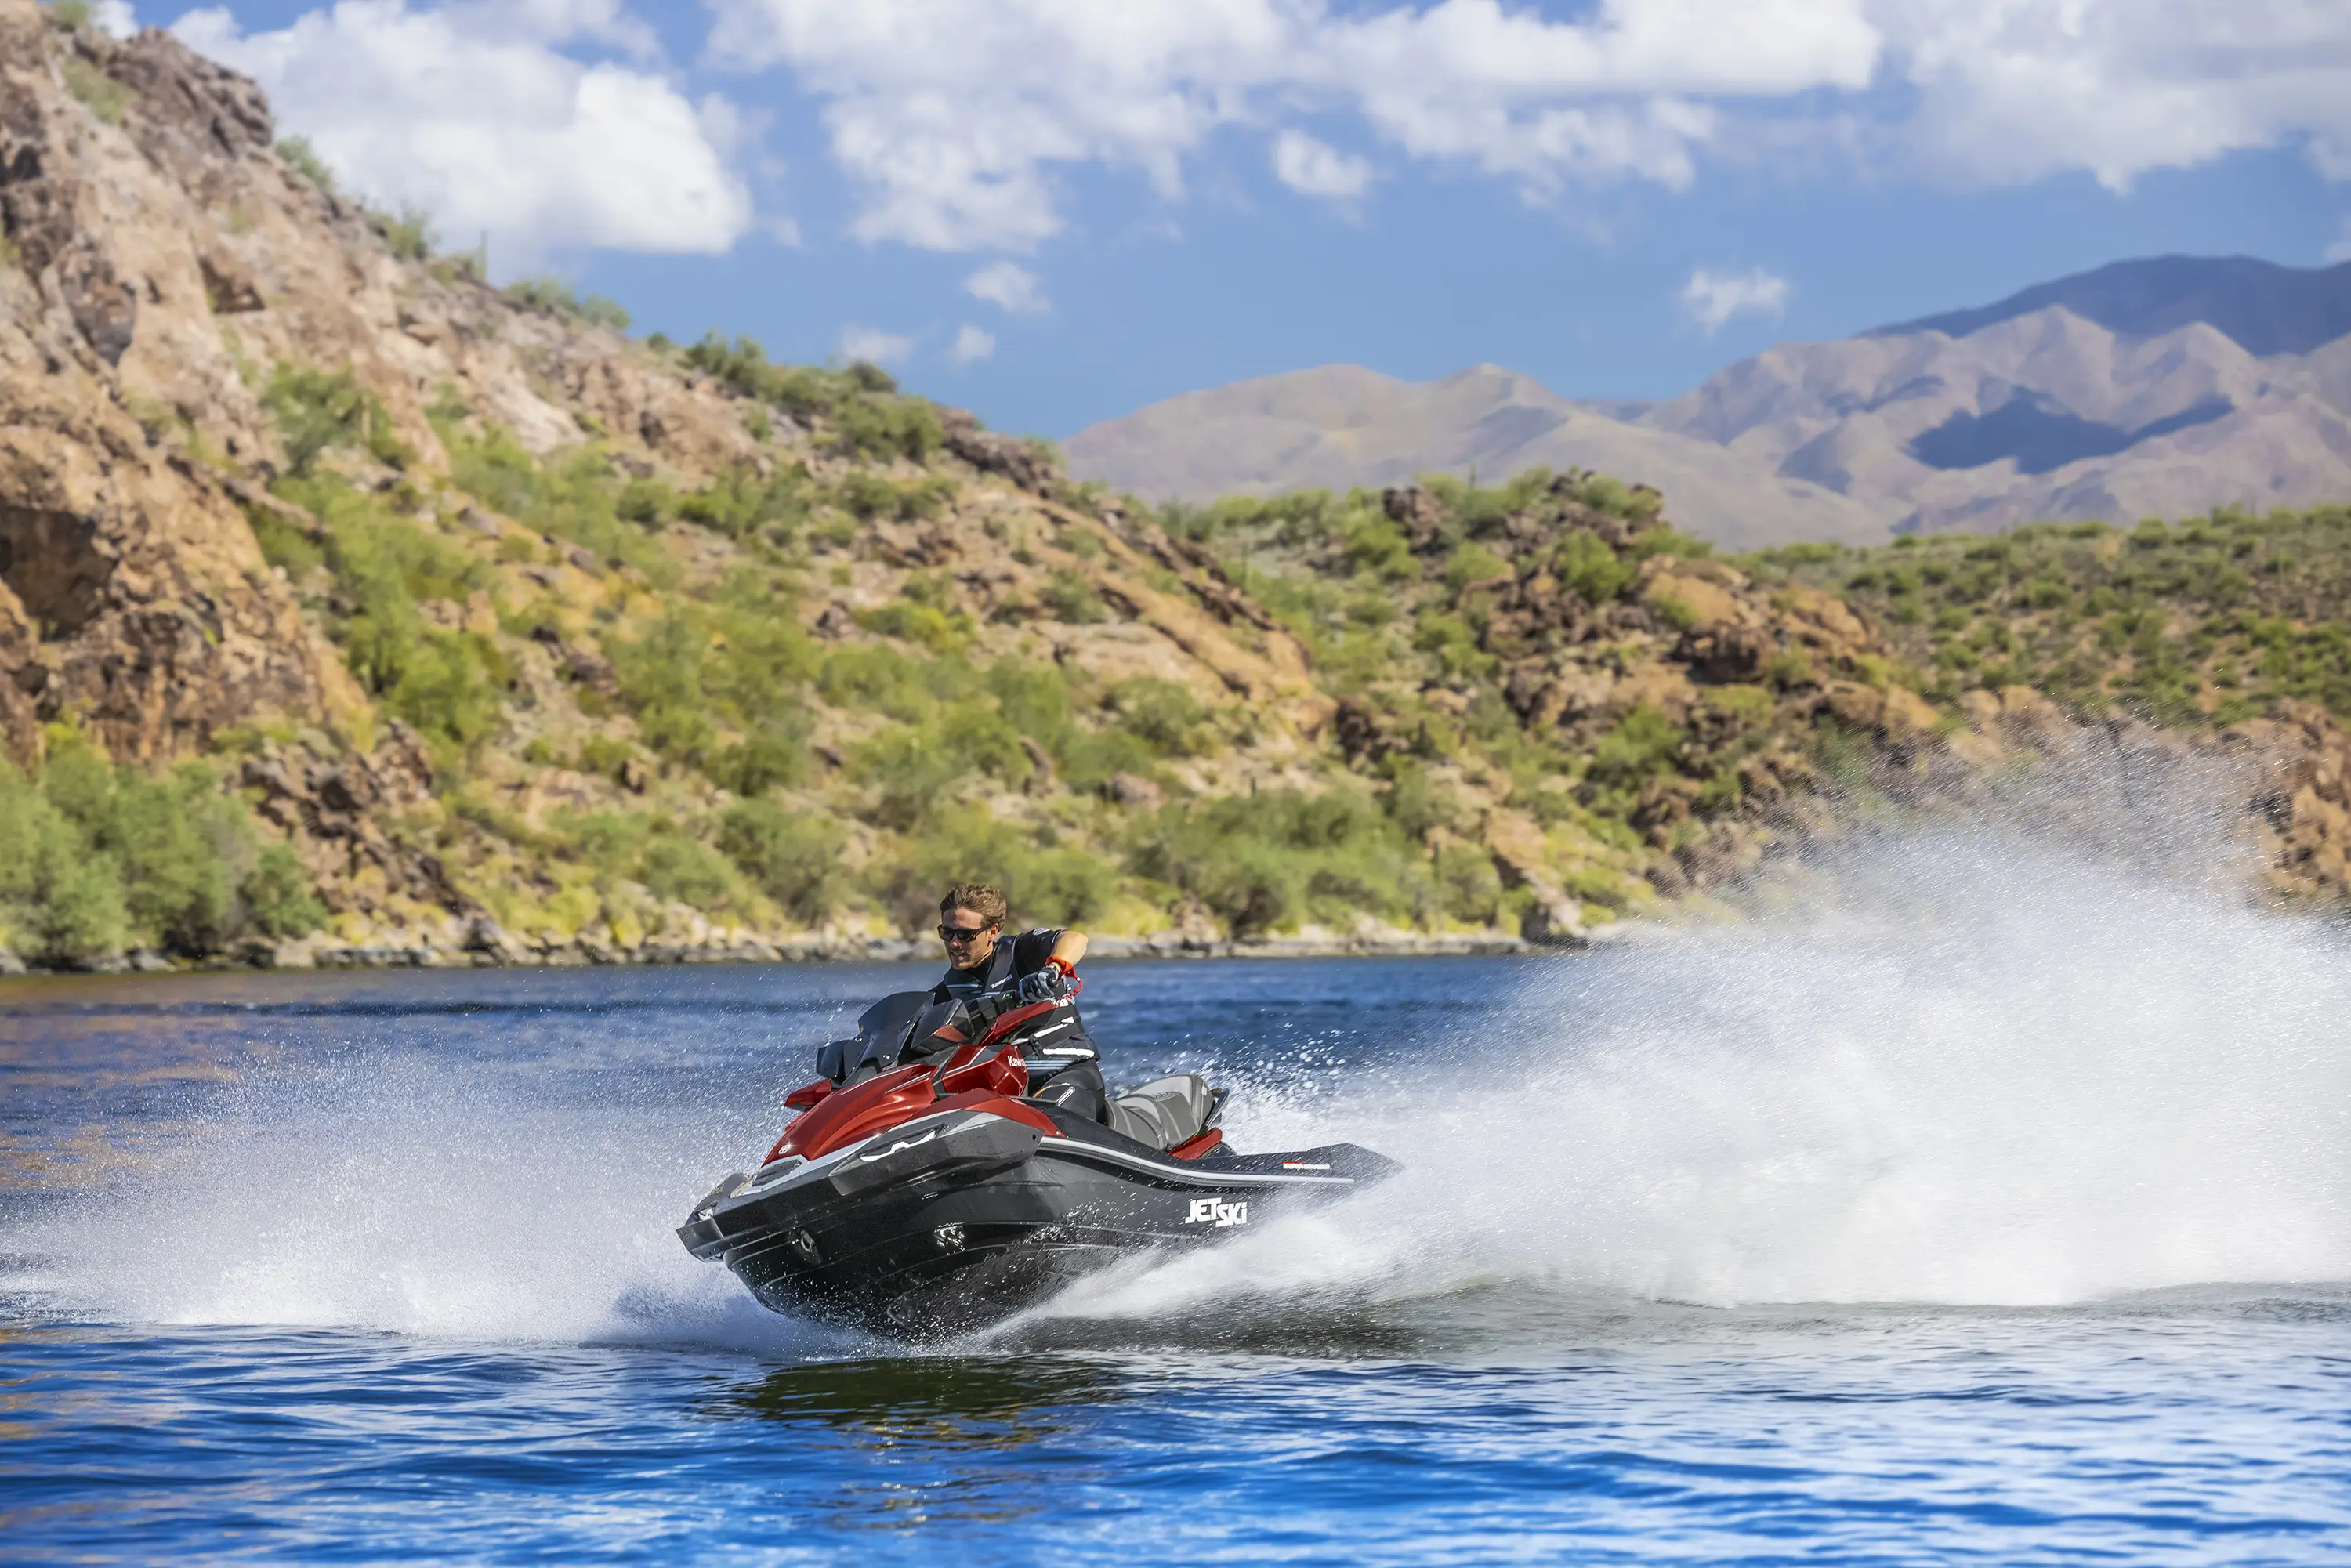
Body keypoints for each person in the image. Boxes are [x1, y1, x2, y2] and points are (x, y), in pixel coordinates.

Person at [933, 883, 1107, 1121]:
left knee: (1045, 1118)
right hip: (1008, 1090)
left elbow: (1076, 938)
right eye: (947, 933)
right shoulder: (948, 990)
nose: (954, 943)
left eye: (965, 935)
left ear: (992, 932)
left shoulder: (1022, 952)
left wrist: (1053, 969)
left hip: (1068, 1074)